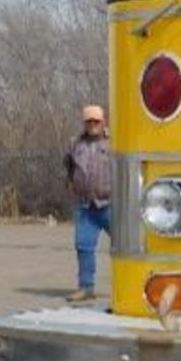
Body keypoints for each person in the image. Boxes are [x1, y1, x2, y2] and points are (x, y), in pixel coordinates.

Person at [63, 104, 112, 303]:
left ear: (103, 122)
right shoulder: (75, 143)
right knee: (83, 246)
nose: (93, 124)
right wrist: (71, 185)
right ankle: (86, 287)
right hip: (85, 207)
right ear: (84, 123)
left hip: (111, 204)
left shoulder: (115, 142)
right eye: (89, 121)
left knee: (128, 245)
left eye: (96, 121)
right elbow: (68, 166)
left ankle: (137, 287)